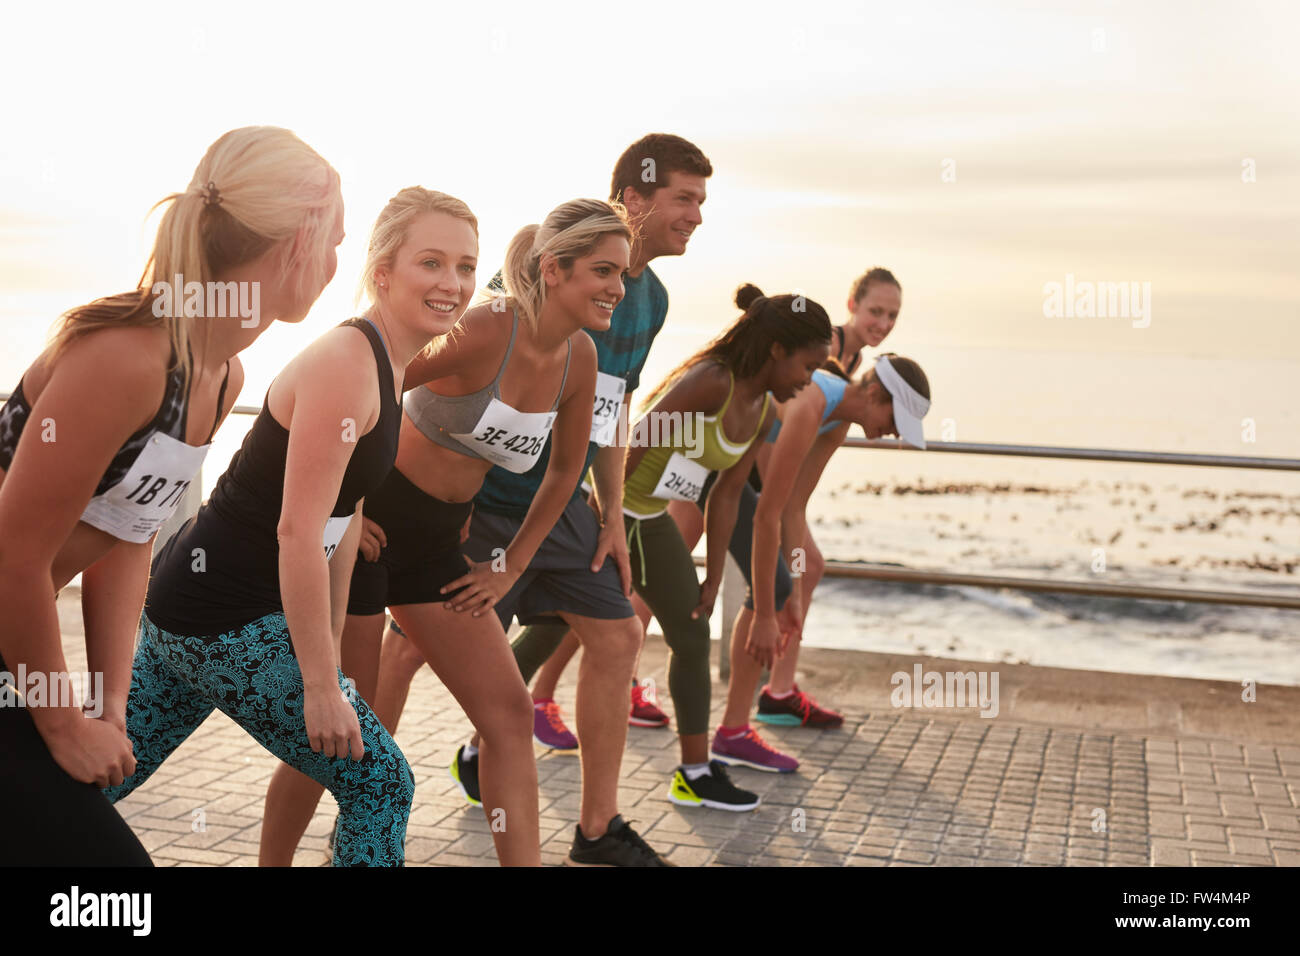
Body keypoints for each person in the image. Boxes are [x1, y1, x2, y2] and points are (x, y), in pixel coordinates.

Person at [0, 126, 341, 866]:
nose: (337, 265)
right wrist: (63, 726)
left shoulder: (220, 377)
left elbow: (127, 533)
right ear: (298, 244)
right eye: (336, 242)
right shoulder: (127, 358)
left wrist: (110, 703)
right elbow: (14, 557)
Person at [98, 186, 468, 867]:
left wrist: (325, 649)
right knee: (381, 784)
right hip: (224, 619)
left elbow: (339, 511)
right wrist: (322, 686)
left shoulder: (387, 365)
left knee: (99, 781)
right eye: (432, 263)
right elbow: (298, 532)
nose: (452, 283)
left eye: (466, 268)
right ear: (382, 270)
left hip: (193, 606)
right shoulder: (347, 362)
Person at [373, 133, 712, 865]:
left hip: (557, 503)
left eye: (701, 201)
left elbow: (612, 410)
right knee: (405, 653)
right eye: (684, 198)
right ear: (636, 200)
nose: (697, 215)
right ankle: (366, 803)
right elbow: (441, 370)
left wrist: (612, 512)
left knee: (618, 635)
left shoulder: (649, 300)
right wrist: (371, 496)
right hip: (474, 499)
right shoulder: (539, 269)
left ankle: (595, 831)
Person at [261, 197, 626, 868]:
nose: (617, 288)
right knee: (343, 728)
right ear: (554, 270)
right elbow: (371, 379)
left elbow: (567, 469)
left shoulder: (580, 356)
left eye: (622, 274)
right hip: (369, 536)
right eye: (604, 271)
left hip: (439, 550)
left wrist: (510, 566)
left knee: (510, 717)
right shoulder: (487, 328)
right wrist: (350, 507)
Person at [634, 267, 908, 737]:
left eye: (892, 316)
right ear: (853, 304)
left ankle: (774, 691)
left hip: (736, 469)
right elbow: (763, 424)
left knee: (789, 573)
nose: (882, 322)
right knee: (657, 568)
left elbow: (790, 485)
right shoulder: (825, 360)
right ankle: (635, 681)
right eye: (875, 311)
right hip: (714, 461)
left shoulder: (849, 373)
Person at [621, 283, 831, 811]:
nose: (809, 382)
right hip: (608, 511)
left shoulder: (760, 410)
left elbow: (727, 497)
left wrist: (713, 575)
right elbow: (634, 443)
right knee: (557, 629)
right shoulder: (710, 381)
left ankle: (694, 774)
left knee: (691, 636)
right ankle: (480, 748)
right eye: (807, 367)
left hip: (648, 520)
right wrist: (599, 528)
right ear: (778, 350)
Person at [710, 353, 931, 772]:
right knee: (649, 591)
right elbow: (768, 513)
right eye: (895, 420)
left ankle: (733, 730)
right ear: (874, 393)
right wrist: (779, 595)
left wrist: (792, 590)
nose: (893, 434)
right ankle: (731, 730)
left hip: (729, 473)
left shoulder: (838, 418)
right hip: (702, 460)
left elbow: (794, 508)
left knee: (780, 586)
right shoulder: (811, 403)